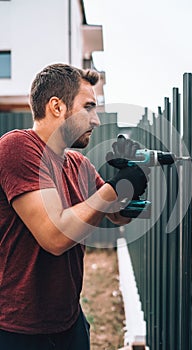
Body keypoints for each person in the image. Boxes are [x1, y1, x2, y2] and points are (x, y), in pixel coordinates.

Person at [0, 63, 149, 350]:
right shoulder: (17, 148)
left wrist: (133, 181)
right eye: (88, 108)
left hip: (69, 322)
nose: (95, 120)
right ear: (57, 107)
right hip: (17, 330)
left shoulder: (78, 163)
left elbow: (115, 214)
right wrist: (112, 189)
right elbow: (54, 237)